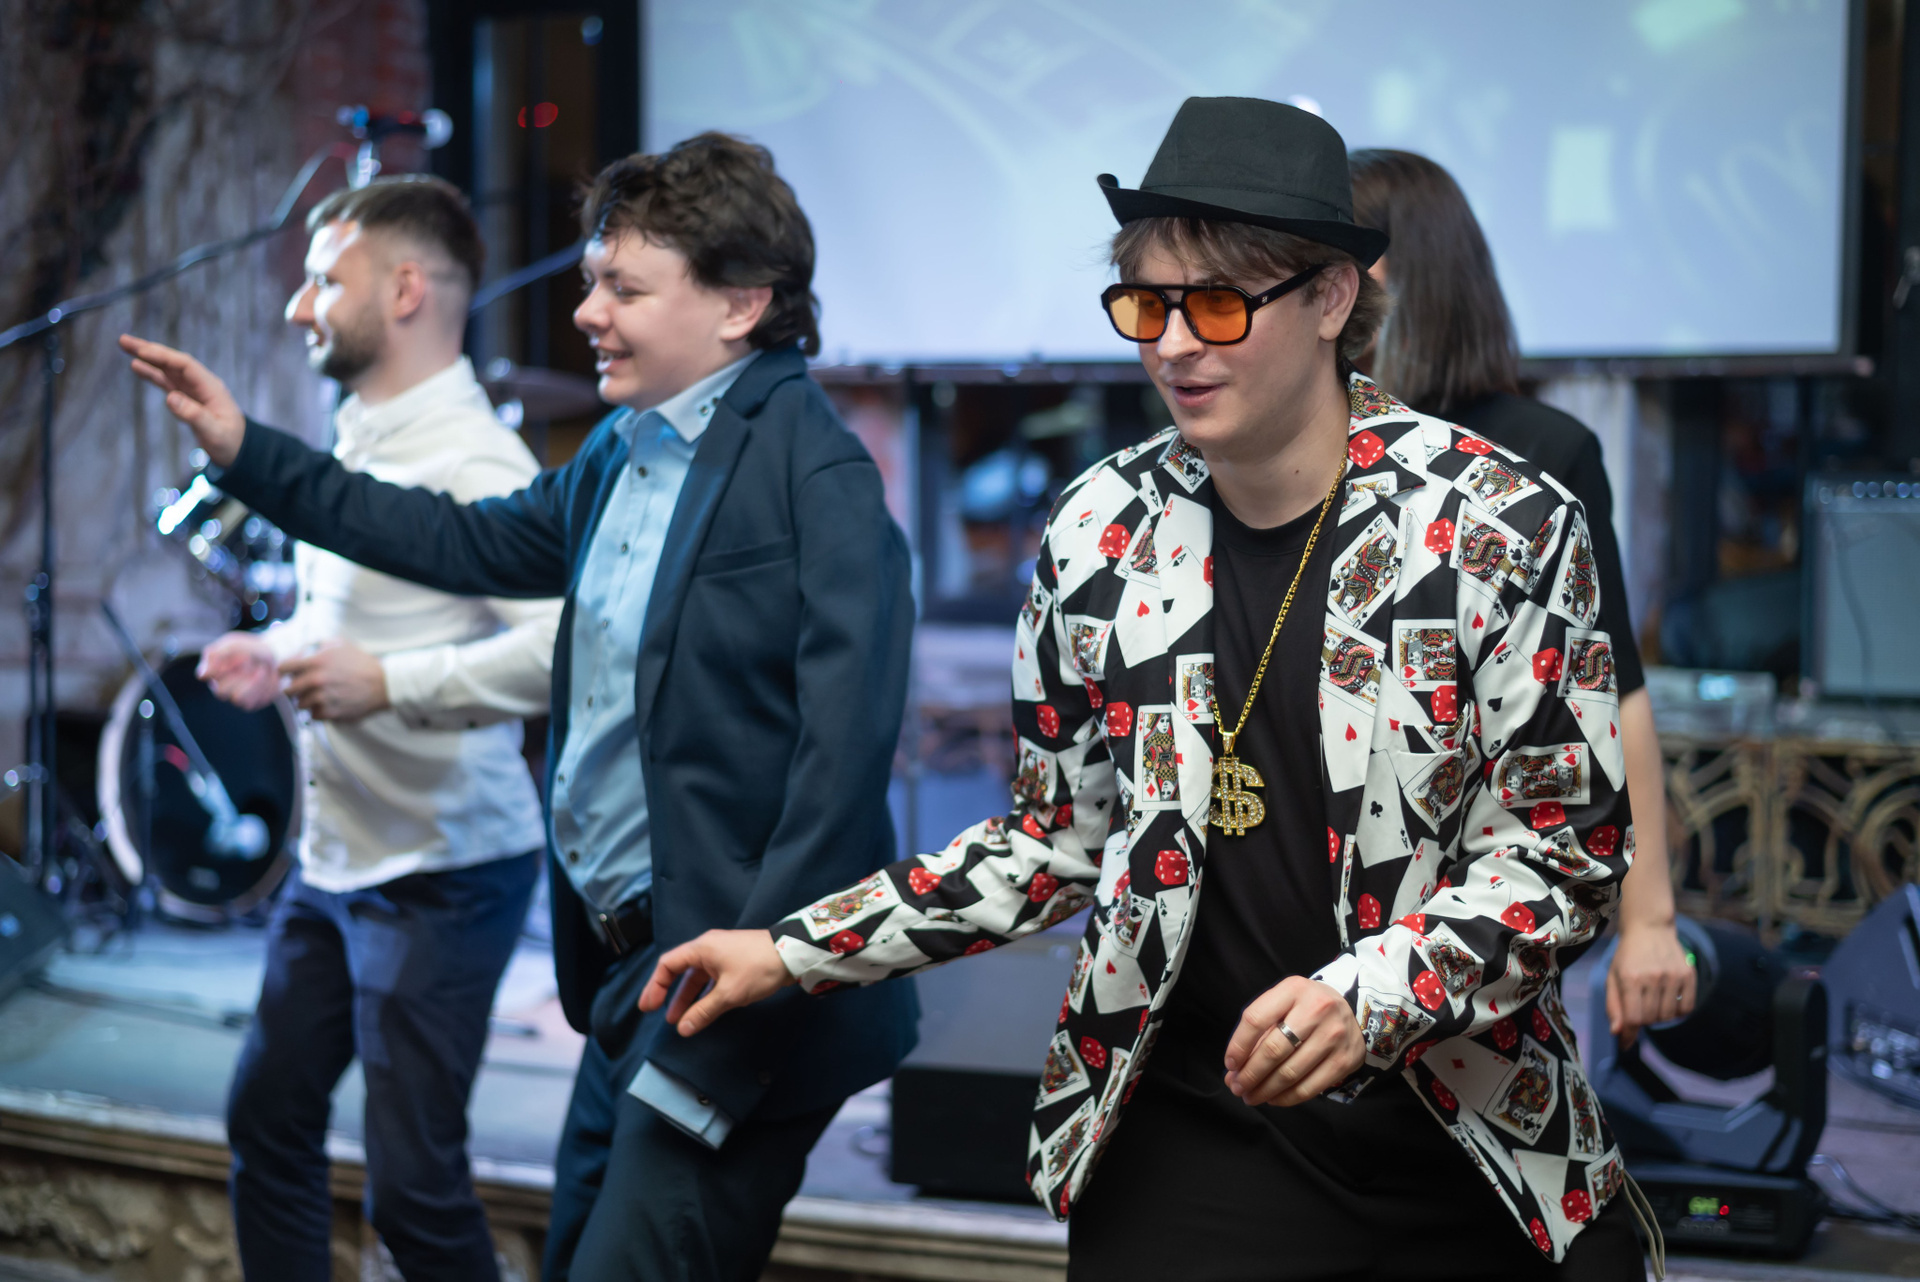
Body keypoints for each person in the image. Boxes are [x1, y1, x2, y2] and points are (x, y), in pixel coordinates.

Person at [641, 99, 1655, 1280]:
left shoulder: (1499, 525)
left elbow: (1565, 860)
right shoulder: (1102, 532)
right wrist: (793, 951)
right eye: (1146, 305)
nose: (1174, 344)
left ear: (1332, 298)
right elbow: (1051, 841)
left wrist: (1369, 996)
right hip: (1188, 1119)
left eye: (1217, 304)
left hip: (1453, 1127)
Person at [122, 133, 918, 1282]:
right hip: (631, 977)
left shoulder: (817, 477)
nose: (587, 312)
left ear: (742, 304)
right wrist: (247, 451)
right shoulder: (624, 448)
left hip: (732, 996)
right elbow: (456, 539)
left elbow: (840, 773)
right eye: (593, 281)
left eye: (623, 289)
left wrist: (762, 977)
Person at [185, 175, 561, 1282]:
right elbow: (366, 611)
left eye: (324, 280)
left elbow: (562, 653)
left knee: (414, 1190)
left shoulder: (478, 462)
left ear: (404, 291)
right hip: (335, 861)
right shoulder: (354, 431)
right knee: (268, 1121)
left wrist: (389, 683)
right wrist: (285, 647)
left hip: (447, 874)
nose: (299, 305)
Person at [1348, 148, 1697, 1044]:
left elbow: (1613, 689)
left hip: (1491, 882)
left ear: (1407, 277)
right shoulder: (1313, 447)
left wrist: (1650, 921)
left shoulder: (1543, 452)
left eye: (1341, 261)